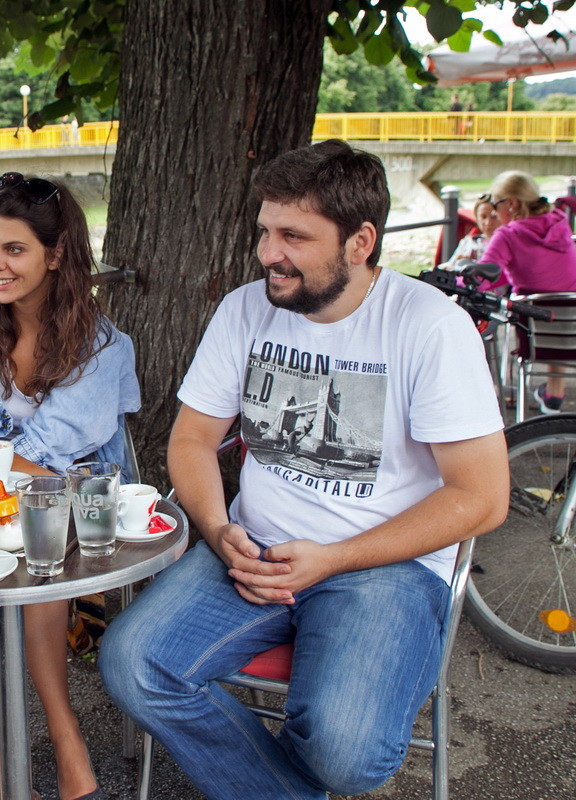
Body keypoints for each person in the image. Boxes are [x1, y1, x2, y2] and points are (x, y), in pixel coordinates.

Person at [99, 140, 509, 800]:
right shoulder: (245, 309)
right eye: (265, 231)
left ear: (360, 242)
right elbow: (193, 440)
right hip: (253, 550)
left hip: (384, 566)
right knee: (133, 665)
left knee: (347, 759)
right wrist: (217, 529)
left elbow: (482, 498)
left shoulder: (429, 326)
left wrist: (335, 558)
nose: (268, 253)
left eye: (293, 236)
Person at [0, 172, 140, 800]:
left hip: (78, 505)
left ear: (56, 253)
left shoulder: (101, 344)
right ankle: (0, 713)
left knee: (34, 545)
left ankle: (62, 733)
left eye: (14, 249)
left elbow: (53, 460)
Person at [482, 170, 576, 413]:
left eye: (495, 205)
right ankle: (554, 393)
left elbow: (482, 278)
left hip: (534, 338)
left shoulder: (508, 235)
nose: (494, 213)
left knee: (535, 310)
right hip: (571, 334)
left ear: (511, 203)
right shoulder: (560, 223)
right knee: (559, 299)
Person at [441, 194, 499, 269]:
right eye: (483, 217)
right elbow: (448, 267)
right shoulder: (468, 242)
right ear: (476, 219)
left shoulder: (506, 243)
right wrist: (456, 264)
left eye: (494, 217)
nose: (488, 222)